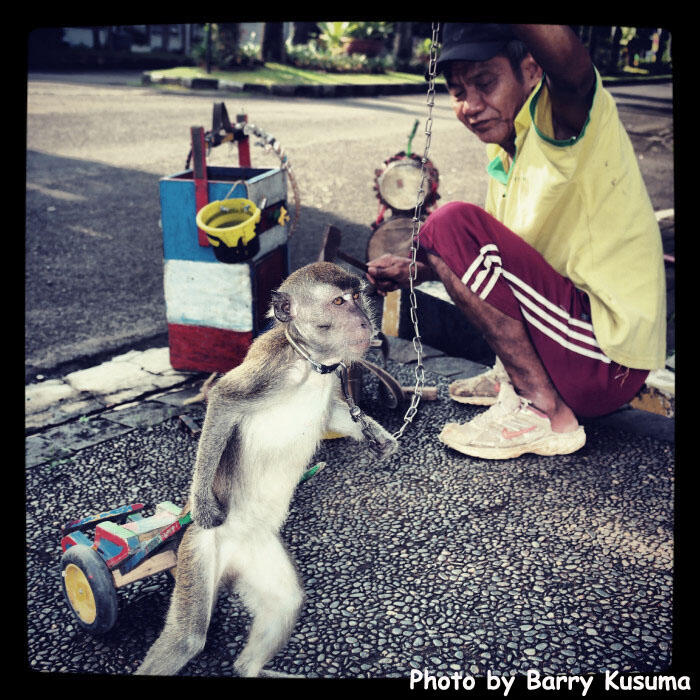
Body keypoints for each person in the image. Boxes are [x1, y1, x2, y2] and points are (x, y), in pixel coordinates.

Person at [366, 23, 666, 460]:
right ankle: (511, 376)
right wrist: (418, 270)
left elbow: (573, 70)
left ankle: (542, 407)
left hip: (607, 363)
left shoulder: (560, 118)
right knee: (446, 238)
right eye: (457, 91)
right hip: (580, 345)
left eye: (486, 83)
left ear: (530, 71)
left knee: (448, 224)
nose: (470, 106)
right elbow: (505, 266)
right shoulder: (506, 147)